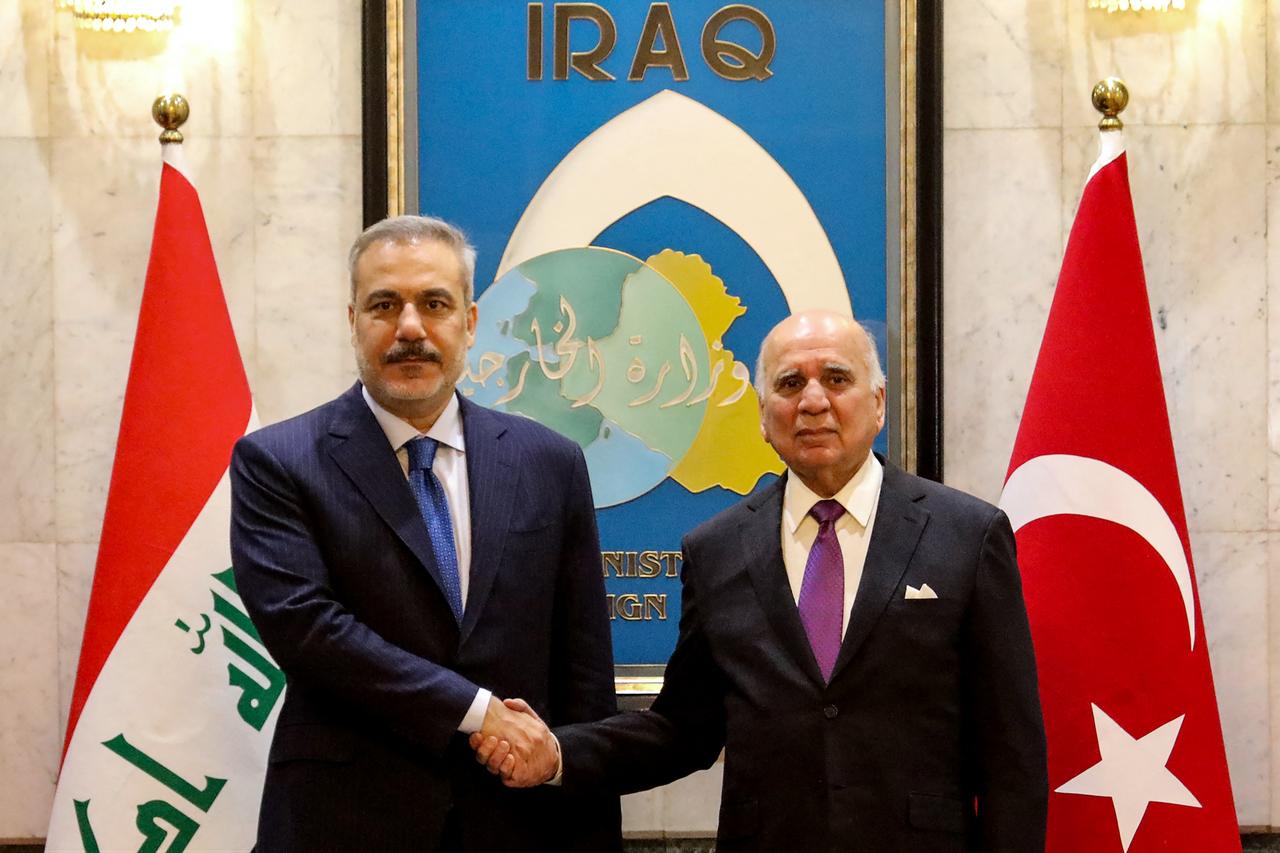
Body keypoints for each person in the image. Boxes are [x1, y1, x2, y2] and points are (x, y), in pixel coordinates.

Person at [479, 310, 1047, 852]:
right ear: (762, 414)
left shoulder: (967, 535)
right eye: (791, 383)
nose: (814, 401)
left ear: (878, 404)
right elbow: (683, 730)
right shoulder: (717, 550)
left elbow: (1011, 757)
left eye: (837, 378)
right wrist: (557, 753)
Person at [230, 215, 620, 852]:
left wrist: (589, 814)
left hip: (518, 824)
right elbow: (307, 630)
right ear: (352, 320)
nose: (410, 328)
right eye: (385, 305)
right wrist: (475, 710)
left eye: (434, 304)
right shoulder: (278, 461)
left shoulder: (549, 462)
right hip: (344, 822)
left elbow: (583, 668)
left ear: (468, 322)